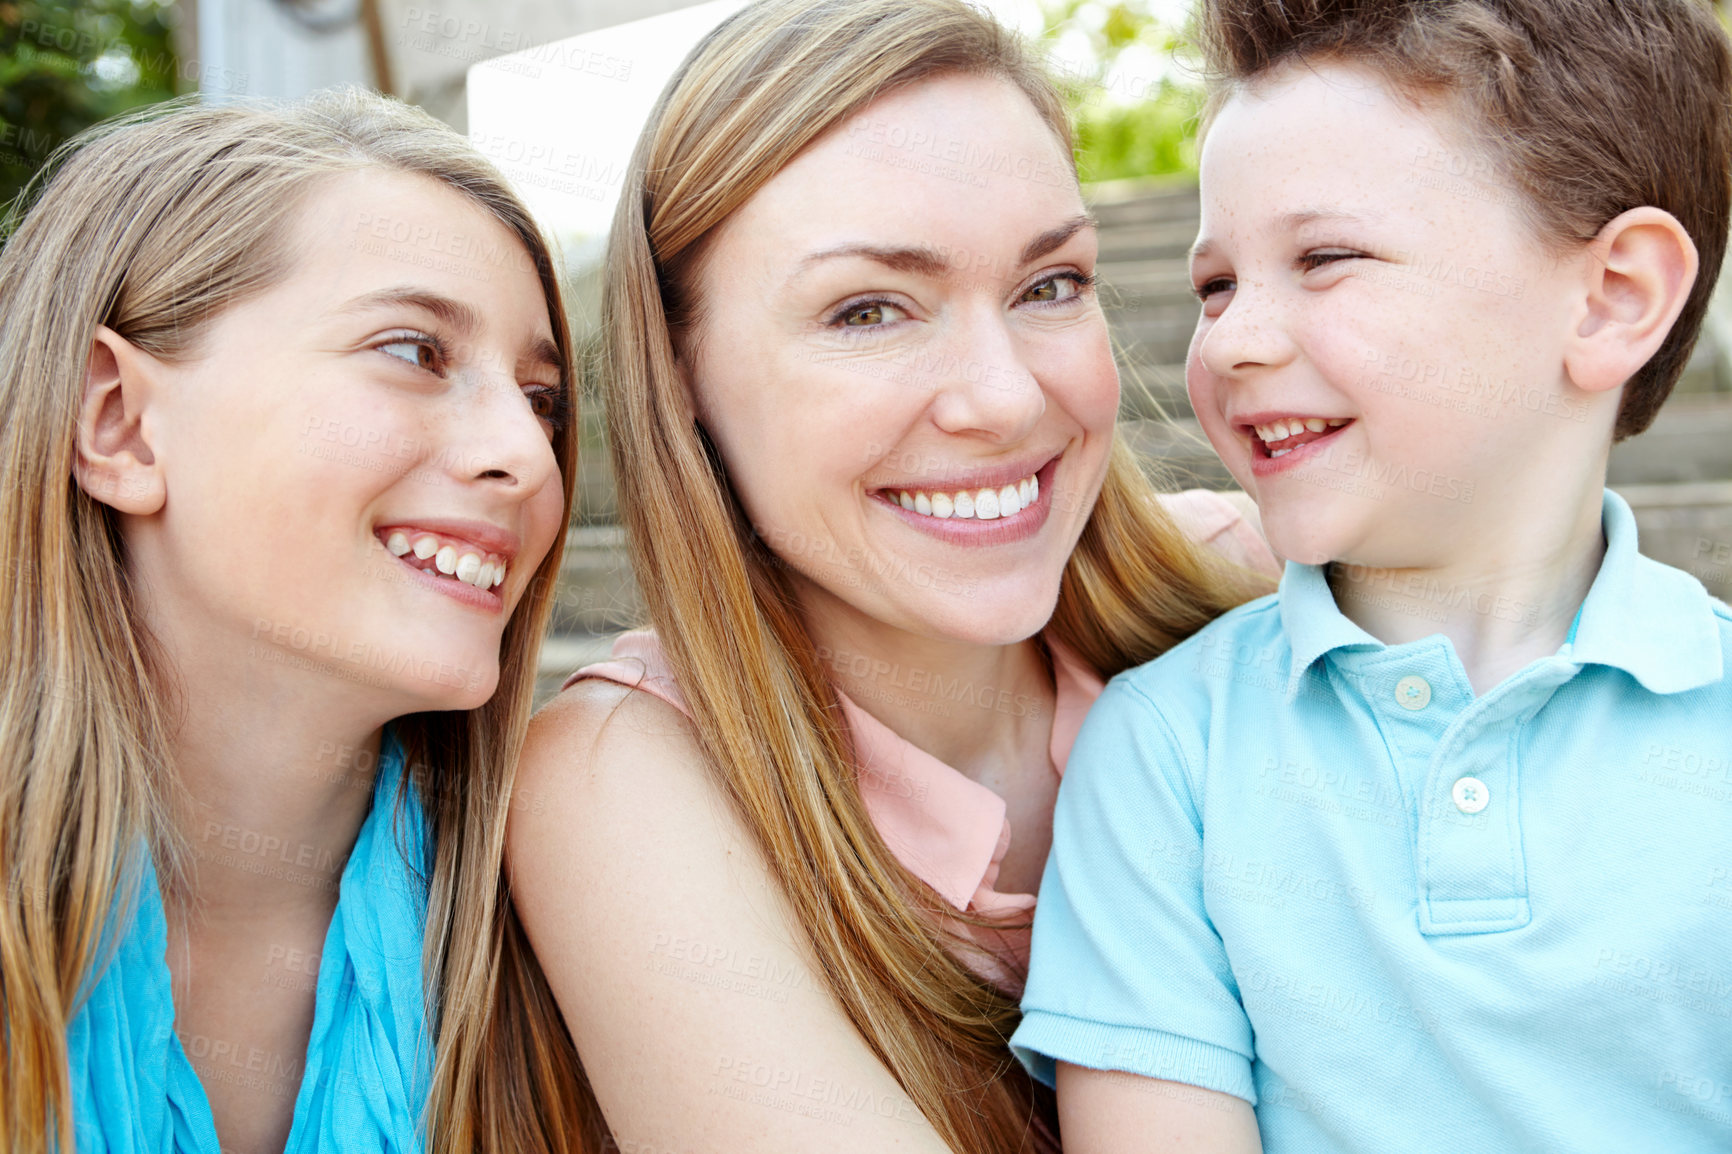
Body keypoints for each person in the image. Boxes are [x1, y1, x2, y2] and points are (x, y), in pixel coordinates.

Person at [501, 2, 1279, 1151]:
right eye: (868, 309)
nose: (1006, 396)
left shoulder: (1250, 585)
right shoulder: (623, 778)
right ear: (683, 376)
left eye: (1049, 284)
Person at [1010, 0, 1732, 1150]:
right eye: (1214, 286)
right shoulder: (1167, 750)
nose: (1234, 341)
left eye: (1325, 258)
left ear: (1614, 297)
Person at [0, 89, 577, 1154]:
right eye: (413, 350)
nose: (529, 455)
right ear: (119, 424)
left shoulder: (581, 926)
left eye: (542, 398)